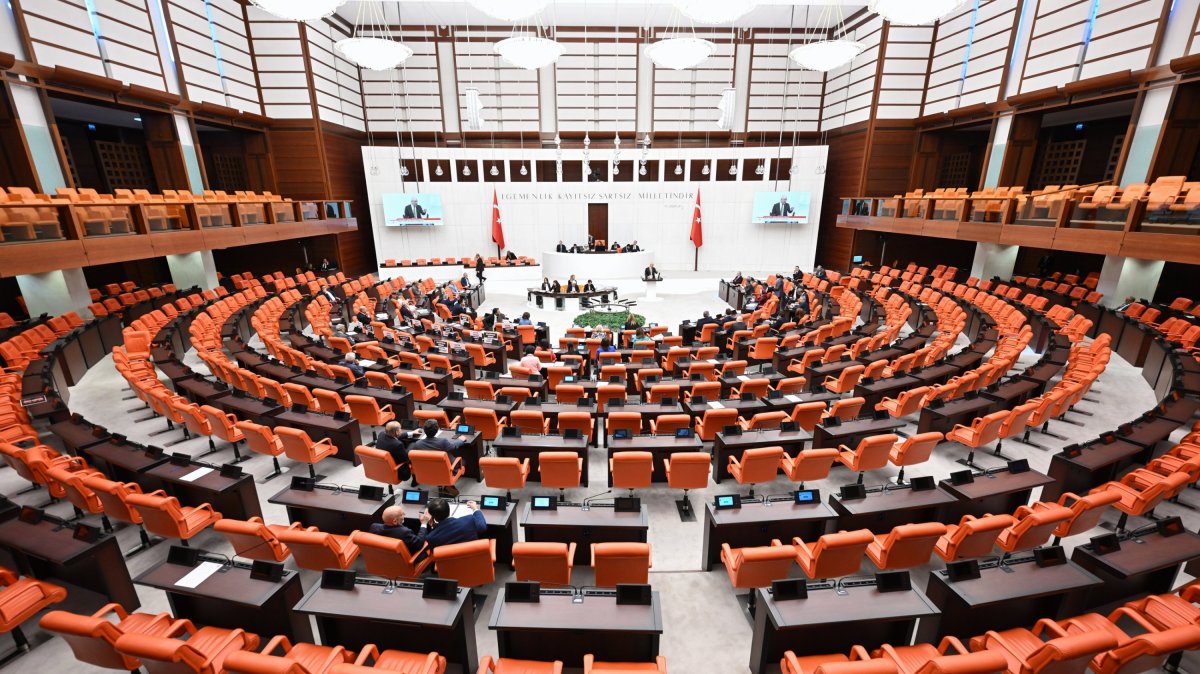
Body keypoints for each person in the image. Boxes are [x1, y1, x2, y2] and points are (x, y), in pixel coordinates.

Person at [419, 498, 486, 552]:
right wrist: (475, 509)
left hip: (450, 566)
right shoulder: (469, 520)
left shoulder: (431, 537)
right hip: (473, 559)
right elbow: (482, 527)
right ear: (449, 509)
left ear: (432, 516)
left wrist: (431, 526)